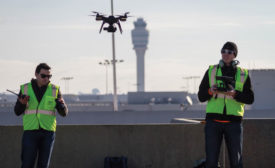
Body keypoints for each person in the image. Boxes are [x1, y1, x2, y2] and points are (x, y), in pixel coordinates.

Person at [198, 42, 254, 168]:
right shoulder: (211, 71)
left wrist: (235, 94)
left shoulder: (243, 74)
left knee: (236, 162)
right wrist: (210, 91)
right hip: (213, 123)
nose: (225, 54)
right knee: (211, 162)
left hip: (234, 123)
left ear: (234, 55)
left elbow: (250, 99)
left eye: (229, 52)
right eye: (223, 51)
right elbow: (201, 96)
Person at [14, 63, 68, 168]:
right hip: (30, 132)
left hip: (48, 133)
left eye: (49, 76)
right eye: (43, 76)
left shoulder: (54, 90)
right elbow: (17, 112)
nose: (46, 78)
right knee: (27, 164)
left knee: (43, 165)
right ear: (36, 74)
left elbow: (64, 113)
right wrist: (22, 103)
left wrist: (61, 105)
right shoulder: (25, 88)